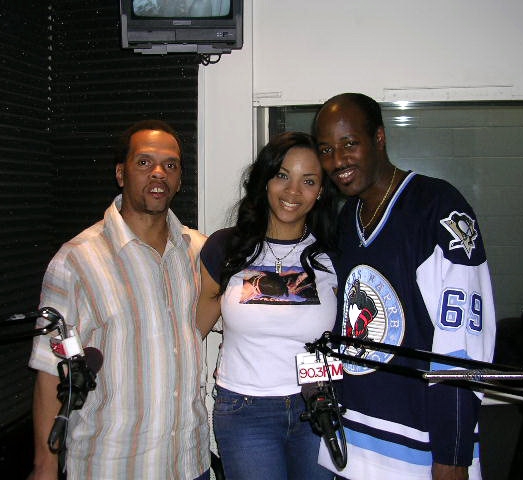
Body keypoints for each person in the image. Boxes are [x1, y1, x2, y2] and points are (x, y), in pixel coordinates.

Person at [313, 93, 496, 480]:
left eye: (350, 143)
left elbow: (463, 341)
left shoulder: (438, 208)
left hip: (421, 446)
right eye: (326, 150)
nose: (337, 161)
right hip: (353, 439)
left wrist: (453, 452)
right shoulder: (346, 218)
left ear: (379, 138)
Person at [28, 120, 210, 480]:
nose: (158, 173)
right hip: (112, 466)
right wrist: (45, 466)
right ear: (121, 174)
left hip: (189, 463)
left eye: (170, 165)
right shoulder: (76, 260)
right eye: (144, 162)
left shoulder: (197, 251)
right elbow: (51, 370)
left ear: (179, 180)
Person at [196, 132, 339, 480]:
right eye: (282, 175)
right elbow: (192, 332)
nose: (293, 191)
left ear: (321, 191)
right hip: (245, 411)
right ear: (265, 180)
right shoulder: (225, 248)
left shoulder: (334, 254)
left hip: (317, 406)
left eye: (308, 181)